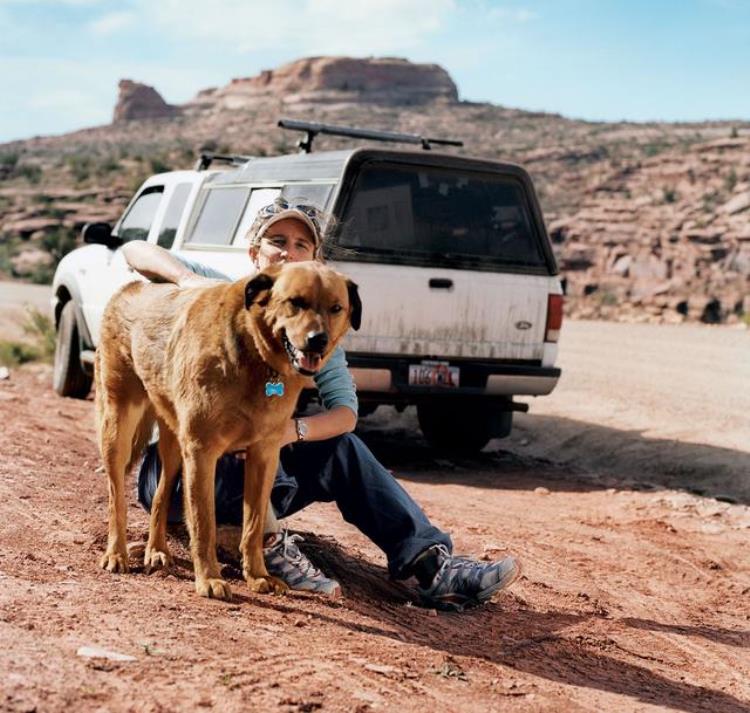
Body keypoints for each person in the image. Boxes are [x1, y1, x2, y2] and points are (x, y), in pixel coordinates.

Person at [123, 197, 521, 612]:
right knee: (231, 437)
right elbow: (136, 252)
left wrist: (290, 431)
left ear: (315, 261)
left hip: (262, 464)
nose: (288, 252)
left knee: (338, 447)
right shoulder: (225, 293)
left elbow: (347, 415)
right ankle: (267, 543)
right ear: (254, 253)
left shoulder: (319, 337)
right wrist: (188, 279)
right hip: (183, 471)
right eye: (277, 241)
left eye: (301, 245)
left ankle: (432, 564)